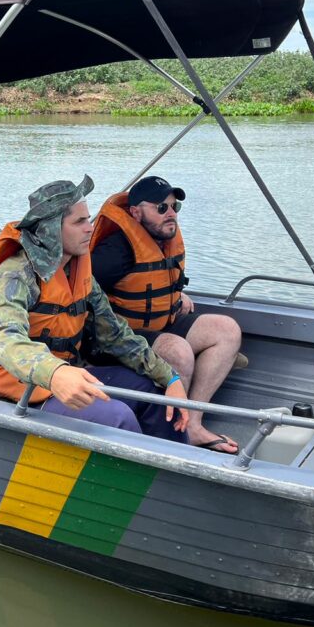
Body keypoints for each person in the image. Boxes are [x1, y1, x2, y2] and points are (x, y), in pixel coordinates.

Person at [0, 175, 189, 441]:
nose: (90, 228)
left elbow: (116, 335)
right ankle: (143, 479)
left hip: (63, 374)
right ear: (51, 228)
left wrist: (169, 377)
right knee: (116, 417)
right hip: (10, 389)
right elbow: (6, 340)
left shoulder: (78, 270)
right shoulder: (15, 276)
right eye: (80, 221)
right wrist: (55, 374)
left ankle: (180, 468)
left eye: (88, 219)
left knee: (148, 391)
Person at [91, 175, 245, 453]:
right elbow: (80, 292)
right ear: (136, 213)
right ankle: (170, 435)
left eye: (174, 207)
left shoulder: (163, 240)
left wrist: (177, 294)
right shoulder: (114, 251)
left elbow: (158, 279)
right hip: (116, 339)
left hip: (161, 324)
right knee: (179, 351)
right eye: (161, 208)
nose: (171, 213)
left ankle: (193, 425)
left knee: (226, 329)